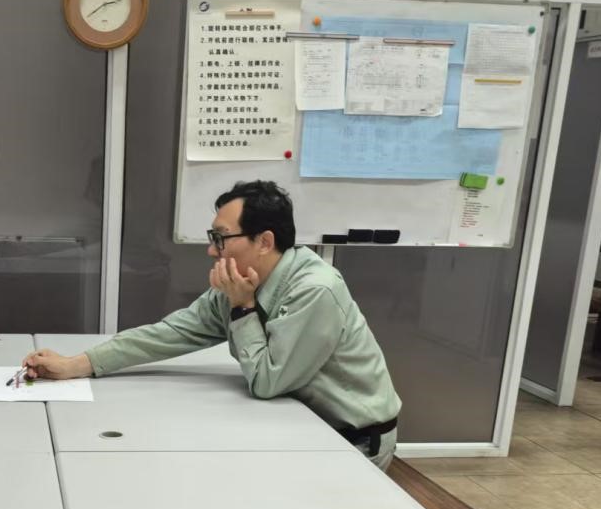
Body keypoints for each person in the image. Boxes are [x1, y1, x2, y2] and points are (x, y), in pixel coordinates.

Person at [22, 180, 402, 470]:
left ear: (264, 241)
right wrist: (79, 364)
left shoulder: (314, 289)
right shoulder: (244, 281)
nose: (211, 250)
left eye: (220, 239)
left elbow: (267, 382)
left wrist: (243, 308)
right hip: (298, 422)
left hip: (350, 440)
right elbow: (172, 332)